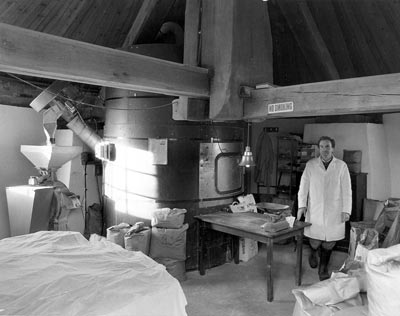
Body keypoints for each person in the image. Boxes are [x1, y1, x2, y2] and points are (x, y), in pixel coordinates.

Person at [297, 136, 352, 281]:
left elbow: (347, 190)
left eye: (327, 146)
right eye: (321, 146)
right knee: (315, 239)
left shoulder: (341, 166)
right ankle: (313, 252)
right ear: (318, 148)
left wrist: (346, 210)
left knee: (330, 241)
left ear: (333, 148)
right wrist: (302, 206)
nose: (324, 150)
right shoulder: (311, 164)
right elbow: (303, 186)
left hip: (335, 209)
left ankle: (323, 268)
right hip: (315, 208)